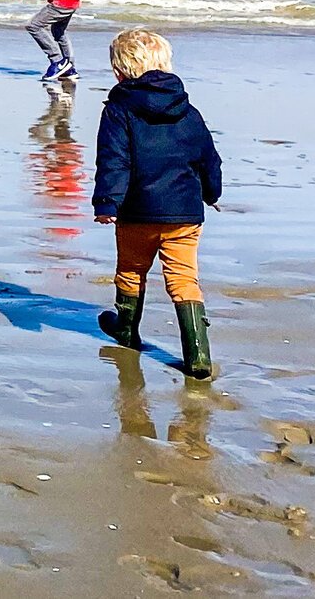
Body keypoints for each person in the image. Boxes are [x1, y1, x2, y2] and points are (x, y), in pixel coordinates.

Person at [92, 27, 224, 380]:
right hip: (184, 213)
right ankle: (197, 354)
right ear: (165, 64)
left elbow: (113, 160)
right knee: (184, 279)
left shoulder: (118, 111)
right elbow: (208, 158)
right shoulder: (188, 111)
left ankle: (126, 329)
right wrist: (212, 193)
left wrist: (107, 202)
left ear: (119, 72)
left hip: (137, 213)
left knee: (132, 270)